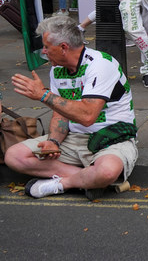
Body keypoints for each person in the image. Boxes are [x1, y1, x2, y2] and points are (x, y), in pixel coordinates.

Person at [4, 15, 138, 200]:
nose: (44, 51)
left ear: (64, 48)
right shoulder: (57, 68)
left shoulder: (100, 65)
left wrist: (44, 94)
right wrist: (54, 141)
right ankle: (89, 181)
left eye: (47, 47)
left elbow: (87, 115)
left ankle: (63, 184)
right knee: (14, 156)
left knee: (107, 171)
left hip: (111, 138)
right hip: (73, 139)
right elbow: (61, 114)